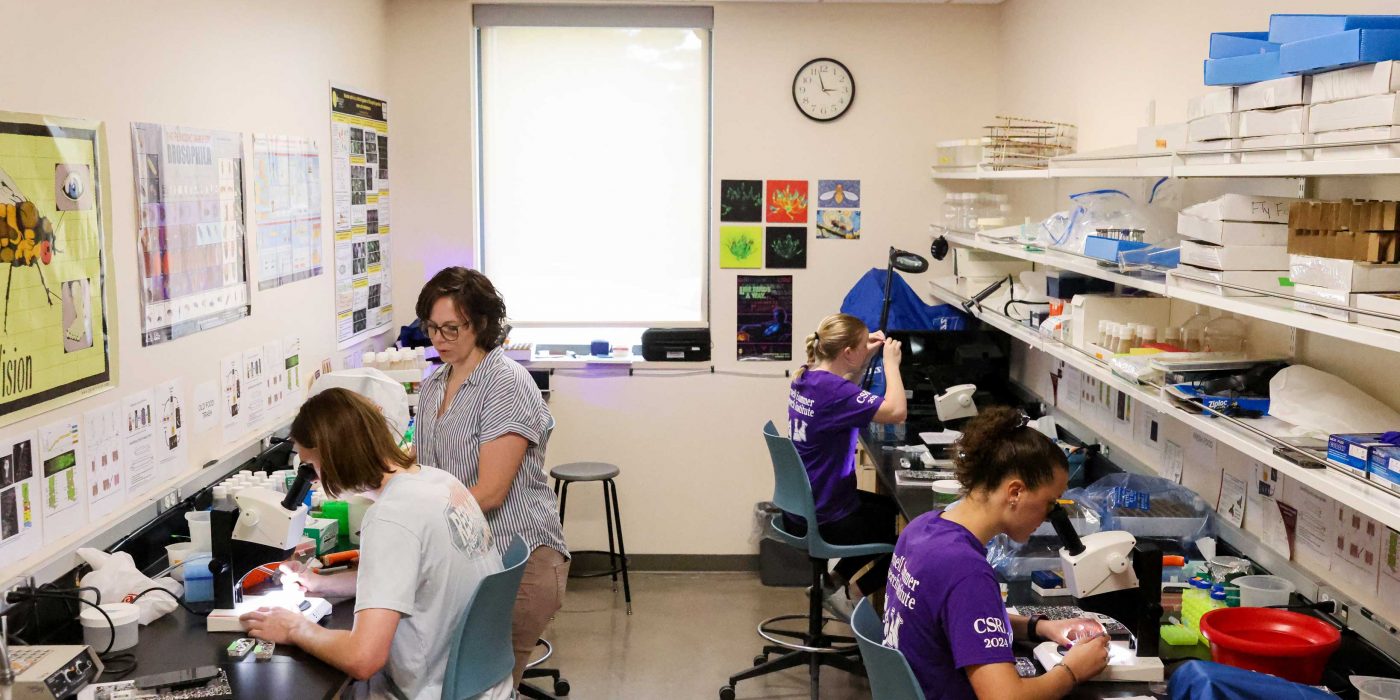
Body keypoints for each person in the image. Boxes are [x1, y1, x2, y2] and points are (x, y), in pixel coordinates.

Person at [239, 388, 510, 700]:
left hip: (434, 692)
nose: (312, 480)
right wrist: (322, 584)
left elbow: (363, 658)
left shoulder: (390, 517)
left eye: (310, 467)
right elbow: (421, 578)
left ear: (332, 456)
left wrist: (295, 628)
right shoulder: (440, 482)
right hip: (484, 684)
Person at [883, 406, 1110, 700]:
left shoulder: (922, 528)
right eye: (1049, 503)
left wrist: (1039, 627)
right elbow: (1004, 697)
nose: (1048, 516)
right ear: (1015, 492)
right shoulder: (966, 571)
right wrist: (1072, 670)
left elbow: (958, 622)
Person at [413, 266, 569, 684]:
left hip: (514, 565)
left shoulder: (504, 383)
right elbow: (423, 467)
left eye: (451, 329)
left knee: (488, 687)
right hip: (467, 561)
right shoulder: (434, 385)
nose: (439, 340)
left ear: (479, 324)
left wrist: (416, 522)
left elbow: (491, 492)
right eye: (431, 329)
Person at [786, 312, 907, 619]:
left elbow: (847, 387)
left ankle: (831, 584)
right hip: (827, 516)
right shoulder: (835, 392)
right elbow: (895, 411)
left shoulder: (808, 377)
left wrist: (863, 355)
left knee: (890, 513)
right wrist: (890, 364)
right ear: (847, 353)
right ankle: (851, 596)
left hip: (804, 507)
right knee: (910, 543)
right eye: (860, 344)